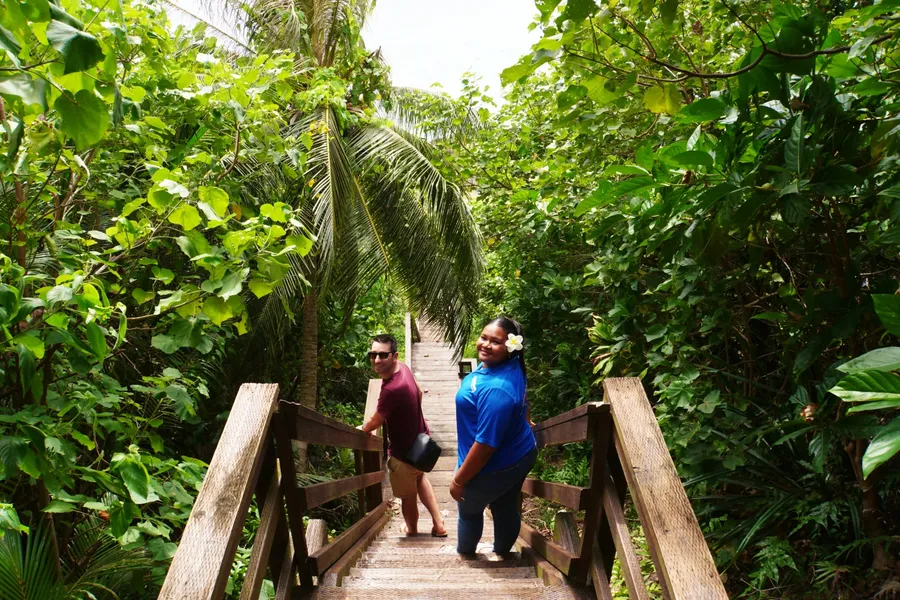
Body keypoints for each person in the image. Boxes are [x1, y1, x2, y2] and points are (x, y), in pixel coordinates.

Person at [450, 317, 537, 555]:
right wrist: (525, 420)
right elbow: (524, 397)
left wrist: (459, 481)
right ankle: (502, 553)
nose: (486, 345)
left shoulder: (497, 390)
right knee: (505, 504)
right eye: (484, 337)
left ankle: (466, 556)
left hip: (493, 466)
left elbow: (486, 444)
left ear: (510, 348)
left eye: (495, 342)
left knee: (468, 510)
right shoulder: (508, 365)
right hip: (519, 452)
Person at [358, 334, 448, 537]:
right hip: (421, 443)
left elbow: (375, 421)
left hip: (403, 454)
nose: (377, 360)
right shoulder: (404, 368)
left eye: (383, 355)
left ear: (394, 356)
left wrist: (361, 430)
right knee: (420, 477)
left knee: (407, 496)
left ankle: (412, 529)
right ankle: (439, 524)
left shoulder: (391, 389)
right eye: (373, 355)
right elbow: (419, 393)